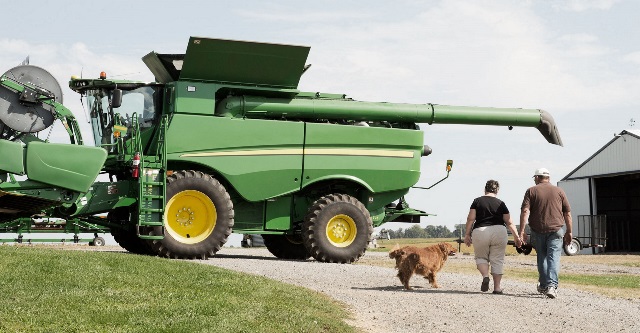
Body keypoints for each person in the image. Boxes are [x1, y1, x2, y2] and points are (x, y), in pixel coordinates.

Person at [519, 168, 572, 299]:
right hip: (556, 230)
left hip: (537, 230)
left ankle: (543, 285)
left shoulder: (531, 191)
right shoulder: (559, 191)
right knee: (553, 257)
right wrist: (569, 231)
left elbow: (525, 211)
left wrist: (522, 231)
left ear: (537, 177)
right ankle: (552, 286)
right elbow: (567, 213)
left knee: (542, 257)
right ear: (548, 178)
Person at [464, 180, 522, 294]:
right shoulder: (501, 203)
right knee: (497, 260)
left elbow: (471, 219)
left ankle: (485, 276)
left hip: (480, 231)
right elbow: (509, 222)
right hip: (499, 231)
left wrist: (467, 234)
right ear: (497, 190)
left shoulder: (477, 201)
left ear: (485, 189)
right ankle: (497, 288)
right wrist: (516, 237)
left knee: (481, 257)